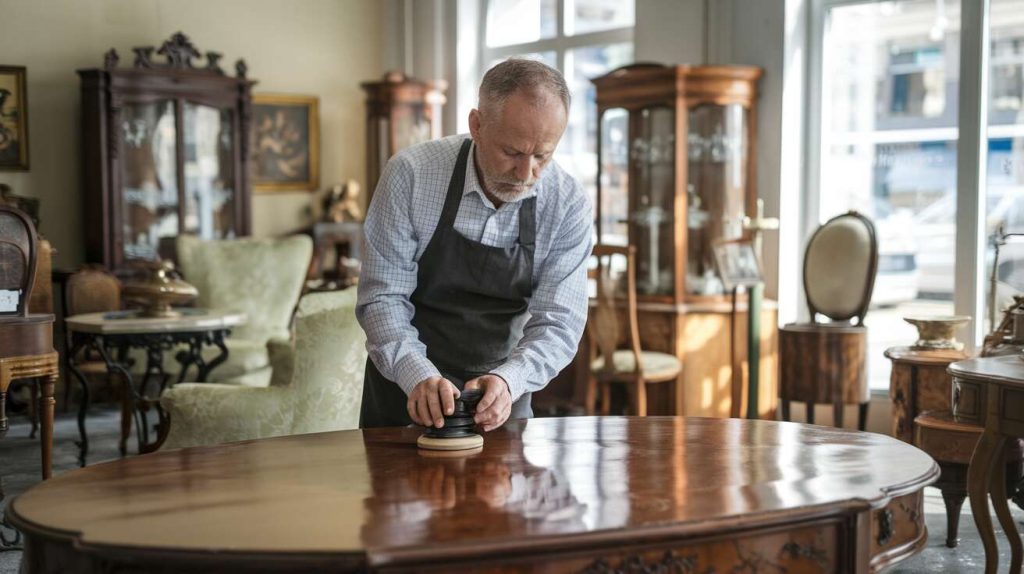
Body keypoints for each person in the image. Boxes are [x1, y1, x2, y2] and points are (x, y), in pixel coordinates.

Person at [356, 58, 592, 432]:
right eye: (512, 152)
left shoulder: (567, 203)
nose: (526, 173)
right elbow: (382, 298)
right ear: (476, 126)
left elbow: (559, 323)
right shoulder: (412, 175)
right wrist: (418, 375)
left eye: (542, 155)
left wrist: (510, 380)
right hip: (403, 394)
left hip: (501, 401)